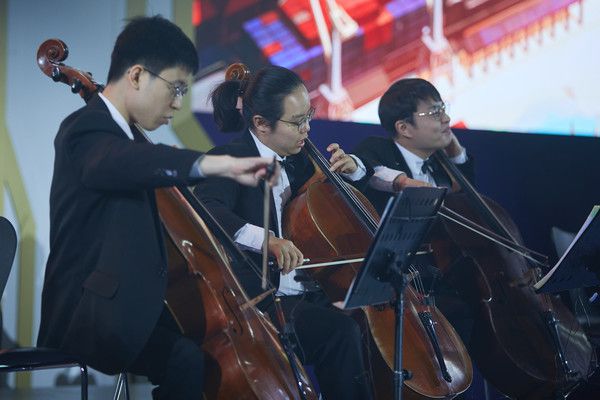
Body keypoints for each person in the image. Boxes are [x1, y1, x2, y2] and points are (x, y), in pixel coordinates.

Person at [37, 16, 278, 400]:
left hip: (136, 300)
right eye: (175, 88)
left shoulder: (129, 140)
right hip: (91, 311)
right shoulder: (85, 128)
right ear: (136, 75)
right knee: (187, 361)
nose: (179, 103)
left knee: (204, 356)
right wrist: (219, 164)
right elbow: (121, 161)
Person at [193, 65, 374, 400]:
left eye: (309, 116)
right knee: (339, 332)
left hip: (312, 292)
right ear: (261, 123)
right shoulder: (229, 159)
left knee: (369, 326)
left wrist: (354, 170)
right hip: (263, 302)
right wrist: (268, 240)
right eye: (296, 122)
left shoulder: (305, 161)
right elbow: (207, 211)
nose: (307, 129)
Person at [353, 78, 475, 345]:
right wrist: (405, 182)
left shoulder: (439, 165)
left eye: (443, 108)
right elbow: (369, 169)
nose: (446, 118)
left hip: (438, 281)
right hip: (398, 287)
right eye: (434, 112)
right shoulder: (378, 149)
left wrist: (455, 151)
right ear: (404, 128)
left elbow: (467, 199)